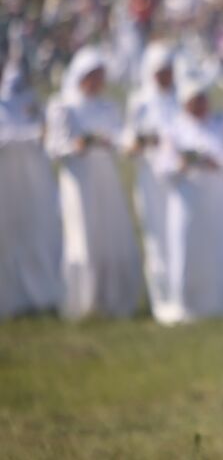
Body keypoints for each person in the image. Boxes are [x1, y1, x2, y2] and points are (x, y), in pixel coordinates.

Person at [45, 47, 143, 319]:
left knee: (111, 233)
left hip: (105, 177)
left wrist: (127, 143)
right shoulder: (62, 105)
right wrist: (77, 145)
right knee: (83, 236)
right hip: (78, 180)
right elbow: (54, 147)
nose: (99, 82)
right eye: (95, 76)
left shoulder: (107, 105)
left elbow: (119, 134)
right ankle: (82, 300)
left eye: (101, 75)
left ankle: (113, 297)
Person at [156, 69, 223, 323]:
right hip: (189, 200)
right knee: (189, 248)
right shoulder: (173, 129)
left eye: (203, 99)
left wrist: (217, 162)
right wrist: (185, 164)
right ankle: (191, 302)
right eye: (194, 101)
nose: (200, 106)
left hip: (222, 199)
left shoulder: (222, 124)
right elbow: (164, 167)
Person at [0, 52, 64, 318]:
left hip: (36, 183)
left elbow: (48, 136)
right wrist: (30, 136)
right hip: (8, 183)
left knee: (40, 232)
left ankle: (44, 294)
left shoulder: (33, 103)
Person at [124, 44, 181, 323]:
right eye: (160, 72)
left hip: (180, 179)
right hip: (150, 178)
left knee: (180, 233)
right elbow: (130, 139)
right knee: (157, 236)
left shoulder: (182, 97)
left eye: (168, 71)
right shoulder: (140, 101)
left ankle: (184, 293)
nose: (165, 76)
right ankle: (163, 299)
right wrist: (146, 142)